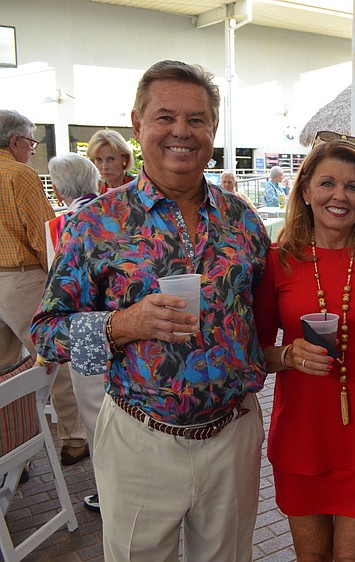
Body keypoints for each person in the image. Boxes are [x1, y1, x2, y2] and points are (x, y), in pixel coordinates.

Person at [31, 60, 270, 561]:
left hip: (232, 436)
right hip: (140, 439)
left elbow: (260, 317)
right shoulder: (95, 222)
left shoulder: (242, 220)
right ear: (137, 124)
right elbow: (47, 334)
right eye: (165, 117)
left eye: (197, 119)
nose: (181, 131)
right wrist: (124, 324)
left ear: (213, 129)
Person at [253, 134, 355, 562]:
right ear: (306, 190)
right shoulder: (280, 259)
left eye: (352, 186)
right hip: (301, 439)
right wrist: (288, 356)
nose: (339, 196)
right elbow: (253, 352)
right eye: (327, 183)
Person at [0, 109, 89, 468]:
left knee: (5, 371)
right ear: (16, 141)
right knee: (55, 357)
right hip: (22, 278)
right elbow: (42, 235)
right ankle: (74, 437)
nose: (32, 151)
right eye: (32, 143)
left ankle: (9, 453)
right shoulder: (19, 174)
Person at [45, 153, 104, 512]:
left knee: (98, 421)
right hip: (123, 332)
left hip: (87, 336)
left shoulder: (60, 225)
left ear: (58, 187)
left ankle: (108, 490)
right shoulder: (113, 212)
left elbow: (55, 290)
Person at [86, 129, 135, 193]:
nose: (104, 167)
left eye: (110, 159)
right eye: (99, 159)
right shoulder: (93, 191)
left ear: (124, 158)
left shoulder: (140, 189)